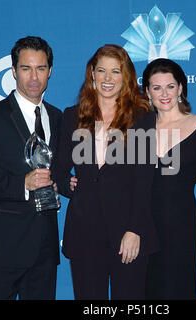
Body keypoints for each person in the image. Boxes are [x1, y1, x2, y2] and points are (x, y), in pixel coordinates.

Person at [54, 44, 159, 300]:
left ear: (126, 76)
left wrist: (135, 230)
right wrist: (69, 185)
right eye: (102, 71)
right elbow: (57, 170)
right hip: (84, 233)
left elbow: (145, 180)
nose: (108, 79)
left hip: (128, 232)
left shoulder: (142, 117)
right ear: (92, 74)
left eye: (115, 71)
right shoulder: (73, 116)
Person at [0, 36, 62, 300]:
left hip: (45, 247)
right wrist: (23, 184)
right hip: (4, 246)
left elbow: (59, 171)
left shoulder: (59, 118)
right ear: (14, 71)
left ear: (50, 71)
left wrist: (61, 186)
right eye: (26, 68)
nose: (34, 77)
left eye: (41, 68)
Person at [140, 58, 196, 300]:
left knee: (177, 290)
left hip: (180, 226)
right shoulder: (139, 129)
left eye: (170, 86)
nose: (164, 93)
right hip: (142, 227)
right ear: (147, 92)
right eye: (156, 88)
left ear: (181, 88)